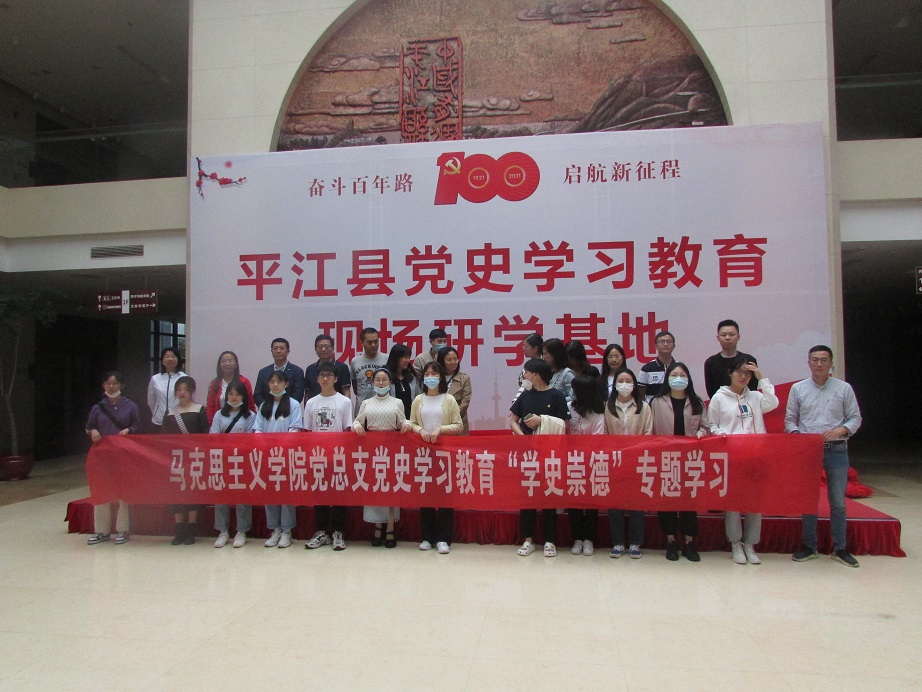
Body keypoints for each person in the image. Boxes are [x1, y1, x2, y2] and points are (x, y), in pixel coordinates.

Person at [786, 345, 863, 568]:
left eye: (823, 360)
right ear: (808, 363)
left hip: (836, 450)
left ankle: (840, 548)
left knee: (838, 502)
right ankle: (809, 546)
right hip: (809, 451)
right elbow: (790, 420)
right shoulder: (798, 389)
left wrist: (841, 430)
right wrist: (799, 437)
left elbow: (855, 418)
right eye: (815, 359)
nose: (819, 364)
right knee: (809, 500)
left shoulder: (844, 388)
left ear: (831, 364)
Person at [707, 355, 778, 565]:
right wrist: (722, 435)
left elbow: (773, 403)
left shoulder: (755, 397)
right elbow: (712, 425)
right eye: (739, 372)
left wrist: (761, 376)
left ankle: (750, 544)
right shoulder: (719, 398)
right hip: (733, 456)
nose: (743, 376)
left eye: (747, 373)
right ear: (730, 373)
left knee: (755, 500)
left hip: (756, 456)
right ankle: (735, 543)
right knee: (734, 501)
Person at [510, 358, 570, 557]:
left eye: (526, 373)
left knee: (549, 496)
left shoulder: (556, 395)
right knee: (527, 496)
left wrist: (542, 421)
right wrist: (523, 437)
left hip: (550, 454)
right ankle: (528, 540)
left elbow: (564, 424)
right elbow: (513, 421)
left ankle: (550, 541)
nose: (524, 376)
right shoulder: (525, 395)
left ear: (536, 374)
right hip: (528, 453)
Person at [651, 362, 709, 562]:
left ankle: (689, 542)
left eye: (682, 375)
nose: (678, 378)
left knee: (688, 501)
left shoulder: (696, 401)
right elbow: (651, 430)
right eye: (674, 375)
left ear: (688, 379)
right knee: (666, 500)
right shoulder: (657, 402)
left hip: (690, 459)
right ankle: (671, 541)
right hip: (665, 458)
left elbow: (705, 426)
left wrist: (700, 434)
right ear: (667, 378)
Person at [408, 362, 463, 554]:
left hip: (444, 453)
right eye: (427, 374)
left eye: (434, 374)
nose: (430, 377)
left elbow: (458, 425)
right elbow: (412, 423)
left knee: (445, 495)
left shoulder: (449, 399)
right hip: (423, 453)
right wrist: (421, 430)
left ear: (441, 377)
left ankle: (443, 538)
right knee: (426, 494)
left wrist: (441, 429)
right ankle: (427, 537)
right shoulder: (418, 399)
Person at [352, 367, 409, 548]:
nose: (381, 383)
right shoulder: (366, 403)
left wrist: (407, 424)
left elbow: (403, 421)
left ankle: (390, 526)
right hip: (372, 451)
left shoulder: (397, 402)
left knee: (390, 488)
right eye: (378, 380)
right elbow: (357, 421)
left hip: (391, 450)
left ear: (390, 382)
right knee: (375, 488)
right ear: (373, 382)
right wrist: (356, 426)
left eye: (384, 380)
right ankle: (377, 526)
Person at [303, 362, 355, 552]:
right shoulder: (311, 403)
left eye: (329, 375)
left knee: (339, 494)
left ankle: (338, 532)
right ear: (317, 379)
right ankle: (322, 532)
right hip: (318, 456)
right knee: (320, 494)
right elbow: (307, 431)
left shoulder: (344, 402)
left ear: (336, 378)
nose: (325, 379)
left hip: (338, 456)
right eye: (322, 375)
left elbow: (347, 429)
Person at [85, 371, 141, 545]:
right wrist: (93, 431)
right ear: (104, 386)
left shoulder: (130, 406)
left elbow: (137, 425)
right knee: (101, 491)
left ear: (121, 386)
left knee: (123, 492)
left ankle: (123, 529)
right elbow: (89, 426)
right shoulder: (98, 407)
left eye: (115, 383)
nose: (111, 386)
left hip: (123, 456)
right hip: (102, 456)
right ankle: (101, 531)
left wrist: (129, 431)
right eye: (108, 383)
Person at [604, 369, 652, 559]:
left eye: (628, 380)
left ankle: (635, 542)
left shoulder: (644, 407)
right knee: (615, 503)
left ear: (634, 384)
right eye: (621, 380)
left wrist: (636, 452)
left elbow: (648, 433)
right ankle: (617, 542)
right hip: (614, 461)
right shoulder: (607, 406)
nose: (624, 384)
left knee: (636, 503)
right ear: (615, 384)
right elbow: (604, 434)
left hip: (637, 460)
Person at [254, 370, 303, 548]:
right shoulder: (263, 405)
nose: (275, 385)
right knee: (270, 493)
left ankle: (287, 531)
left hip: (286, 456)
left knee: (285, 493)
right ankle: (274, 530)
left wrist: (281, 448)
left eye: (279, 381)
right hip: (267, 456)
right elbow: (258, 430)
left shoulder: (294, 404)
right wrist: (265, 448)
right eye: (272, 381)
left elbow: (295, 429)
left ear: (286, 384)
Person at [162, 376, 209, 545]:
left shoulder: (199, 409)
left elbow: (205, 434)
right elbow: (164, 437)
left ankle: (191, 528)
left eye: (186, 389)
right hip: (175, 458)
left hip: (194, 457)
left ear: (192, 391)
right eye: (179, 390)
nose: (182, 393)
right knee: (176, 492)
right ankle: (179, 528)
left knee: (192, 491)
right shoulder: (170, 412)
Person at [210, 380, 256, 548]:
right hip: (222, 460)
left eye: (238, 394)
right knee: (221, 495)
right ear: (226, 396)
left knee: (242, 496)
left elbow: (250, 439)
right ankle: (223, 531)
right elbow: (213, 436)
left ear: (243, 396)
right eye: (231, 394)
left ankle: (242, 531)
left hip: (242, 460)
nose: (234, 397)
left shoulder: (250, 416)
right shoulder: (219, 415)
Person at [566, 375, 606, 557]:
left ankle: (589, 538)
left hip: (591, 462)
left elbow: (598, 438)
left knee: (590, 502)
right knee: (573, 501)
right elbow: (564, 431)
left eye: (574, 390)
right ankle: (577, 538)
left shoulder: (598, 412)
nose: (572, 393)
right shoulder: (569, 407)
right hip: (571, 461)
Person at [703, 319, 758, 399]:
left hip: (746, 403)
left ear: (738, 337)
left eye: (731, 334)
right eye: (723, 335)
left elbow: (753, 387)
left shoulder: (749, 360)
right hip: (721, 404)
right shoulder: (710, 363)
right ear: (718, 338)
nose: (727, 338)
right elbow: (711, 391)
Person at [205, 350, 255, 423]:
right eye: (224, 361)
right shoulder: (214, 383)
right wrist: (210, 424)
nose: (227, 364)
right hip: (220, 423)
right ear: (219, 365)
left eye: (230, 361)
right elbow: (210, 407)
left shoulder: (245, 382)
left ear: (236, 365)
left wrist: (253, 422)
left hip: (242, 423)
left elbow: (250, 404)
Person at [253, 337, 305, 407]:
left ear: (288, 351)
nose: (278, 351)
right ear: (271, 351)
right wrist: (266, 408)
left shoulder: (297, 371)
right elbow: (257, 394)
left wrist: (285, 408)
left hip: (289, 409)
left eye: (282, 348)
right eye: (275, 348)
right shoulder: (263, 372)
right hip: (267, 410)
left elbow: (298, 395)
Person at [146, 347, 185, 432]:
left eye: (173, 356)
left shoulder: (184, 378)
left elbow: (188, 400)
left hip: (179, 421)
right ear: (162, 361)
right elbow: (151, 401)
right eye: (167, 357)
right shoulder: (155, 379)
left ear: (178, 360)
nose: (170, 359)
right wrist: (157, 413)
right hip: (159, 422)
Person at [303, 333, 352, 401]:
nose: (323, 349)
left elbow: (346, 391)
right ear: (315, 350)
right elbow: (308, 394)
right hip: (316, 406)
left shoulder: (342, 367)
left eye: (327, 346)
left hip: (337, 405)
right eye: (320, 346)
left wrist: (346, 405)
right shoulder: (310, 369)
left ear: (333, 349)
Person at [351, 327, 388, 416]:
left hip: (384, 410)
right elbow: (355, 387)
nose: (373, 345)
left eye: (376, 341)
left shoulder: (387, 359)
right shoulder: (355, 361)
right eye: (369, 342)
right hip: (362, 410)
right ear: (362, 343)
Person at [437, 346, 472, 435]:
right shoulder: (435, 377)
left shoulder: (464, 378)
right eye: (449, 360)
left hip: (457, 423)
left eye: (455, 359)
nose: (453, 362)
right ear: (442, 361)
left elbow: (465, 403)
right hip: (437, 423)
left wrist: (449, 418)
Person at [637, 331, 676, 401]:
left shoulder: (679, 368)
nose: (665, 344)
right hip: (652, 407)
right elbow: (640, 395)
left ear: (674, 345)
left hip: (675, 406)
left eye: (669, 341)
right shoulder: (646, 369)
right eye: (662, 342)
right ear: (655, 346)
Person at [385, 343, 418, 418]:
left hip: (410, 419)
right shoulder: (385, 376)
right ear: (396, 357)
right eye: (405, 357)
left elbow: (417, 398)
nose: (408, 360)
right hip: (391, 418)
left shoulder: (412, 377)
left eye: (408, 357)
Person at [511, 332, 544, 405]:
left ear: (535, 348)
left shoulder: (543, 366)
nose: (523, 349)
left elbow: (526, 385)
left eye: (526, 347)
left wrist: (517, 400)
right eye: (523, 346)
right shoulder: (529, 365)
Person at [541, 337, 575, 402]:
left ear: (555, 355)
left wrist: (557, 401)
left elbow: (573, 397)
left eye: (546, 354)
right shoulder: (543, 372)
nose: (543, 357)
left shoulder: (567, 373)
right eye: (543, 354)